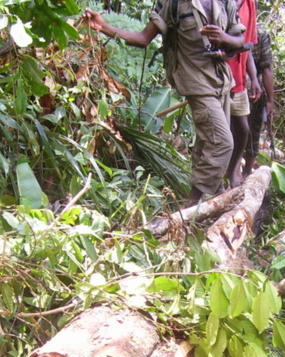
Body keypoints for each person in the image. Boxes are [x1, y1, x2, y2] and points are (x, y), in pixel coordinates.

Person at [83, 1, 246, 206]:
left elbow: (240, 40)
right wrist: (104, 27)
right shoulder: (173, 3)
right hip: (193, 79)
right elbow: (143, 38)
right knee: (222, 142)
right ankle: (191, 205)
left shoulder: (225, 1)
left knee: (206, 142)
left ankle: (212, 200)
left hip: (221, 79)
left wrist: (225, 38)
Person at [225, 0, 262, 188]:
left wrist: (254, 78)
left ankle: (232, 169)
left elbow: (247, 46)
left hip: (238, 81)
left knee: (242, 130)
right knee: (221, 134)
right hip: (218, 78)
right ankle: (216, 180)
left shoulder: (249, 4)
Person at [243, 26, 274, 179]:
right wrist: (270, 101)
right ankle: (243, 172)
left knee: (250, 132)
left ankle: (245, 172)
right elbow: (266, 68)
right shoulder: (258, 33)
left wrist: (269, 100)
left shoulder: (259, 34)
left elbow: (266, 69)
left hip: (252, 92)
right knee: (249, 132)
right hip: (246, 90)